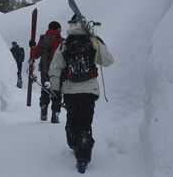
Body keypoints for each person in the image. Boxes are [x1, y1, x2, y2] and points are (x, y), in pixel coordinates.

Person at [48, 15, 114, 173]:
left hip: (70, 91)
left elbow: (54, 70)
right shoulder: (92, 41)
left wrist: (55, 91)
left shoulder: (65, 44)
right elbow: (108, 61)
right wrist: (99, 41)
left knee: (72, 120)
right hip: (89, 91)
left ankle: (74, 144)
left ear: (71, 25)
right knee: (85, 123)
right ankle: (83, 158)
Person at [29, 21, 65, 123]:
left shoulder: (43, 39)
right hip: (57, 69)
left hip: (44, 68)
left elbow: (35, 55)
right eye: (59, 28)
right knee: (56, 91)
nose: (61, 30)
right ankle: (55, 114)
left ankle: (43, 109)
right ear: (56, 29)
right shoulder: (61, 40)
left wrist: (32, 47)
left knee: (45, 89)